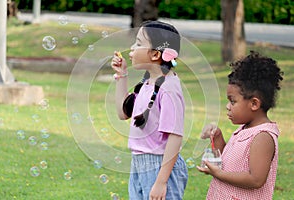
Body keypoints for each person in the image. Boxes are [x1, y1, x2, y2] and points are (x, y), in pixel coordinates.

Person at [111, 20, 188, 200]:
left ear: (154, 54)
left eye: (138, 43)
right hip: (139, 163)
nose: (132, 48)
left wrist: (161, 182)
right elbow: (122, 113)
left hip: (160, 166)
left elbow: (175, 137)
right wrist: (122, 75)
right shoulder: (147, 84)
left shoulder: (169, 88)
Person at [197, 51, 284, 199]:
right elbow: (231, 162)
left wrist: (218, 174)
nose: (228, 106)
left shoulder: (263, 137)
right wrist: (217, 137)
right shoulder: (244, 129)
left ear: (254, 103)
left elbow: (256, 180)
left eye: (233, 101)